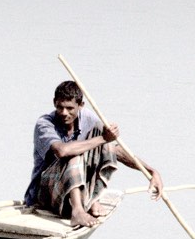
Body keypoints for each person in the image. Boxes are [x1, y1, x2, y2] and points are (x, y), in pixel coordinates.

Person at [25, 80, 164, 228]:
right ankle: (77, 211)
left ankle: (92, 199)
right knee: (74, 153)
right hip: (46, 193)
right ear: (54, 103)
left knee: (105, 139)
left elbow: (115, 150)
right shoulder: (45, 124)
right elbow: (62, 151)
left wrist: (150, 171)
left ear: (81, 105)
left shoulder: (88, 119)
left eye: (70, 108)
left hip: (72, 190)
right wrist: (103, 138)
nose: (64, 113)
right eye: (60, 107)